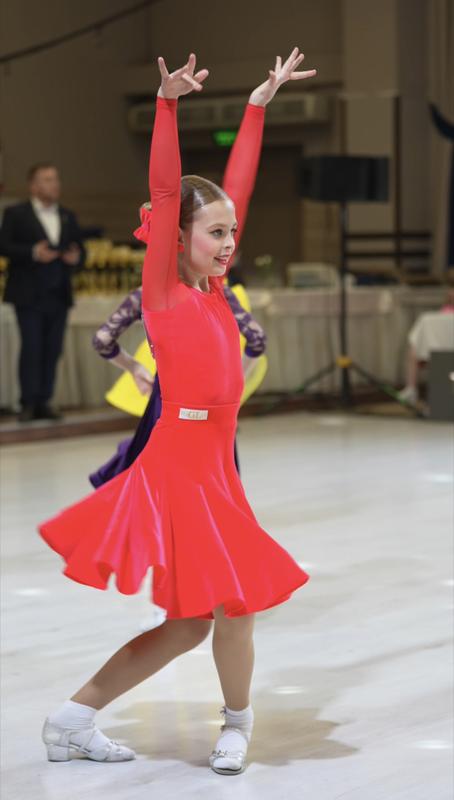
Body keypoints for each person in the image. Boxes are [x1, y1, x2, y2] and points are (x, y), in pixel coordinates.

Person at [38, 49, 316, 775]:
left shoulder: (215, 289)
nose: (229, 245)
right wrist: (166, 107)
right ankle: (237, 724)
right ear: (178, 237)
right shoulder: (164, 287)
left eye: (232, 233)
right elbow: (167, 190)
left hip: (215, 470)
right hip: (178, 470)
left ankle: (71, 719)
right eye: (215, 234)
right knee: (230, 607)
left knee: (193, 623)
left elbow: (237, 187)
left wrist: (256, 107)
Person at [90, 282, 266, 486]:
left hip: (167, 399)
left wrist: (135, 368)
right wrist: (235, 380)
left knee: (160, 480)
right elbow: (257, 340)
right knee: (212, 483)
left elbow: (102, 340)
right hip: (210, 400)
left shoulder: (150, 292)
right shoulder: (217, 292)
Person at [0, 164, 85, 421]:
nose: (54, 184)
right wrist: (33, 252)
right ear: (34, 186)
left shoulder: (67, 215)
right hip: (28, 293)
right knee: (32, 347)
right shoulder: (16, 213)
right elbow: (4, 246)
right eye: (47, 180)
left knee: (53, 349)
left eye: (56, 179)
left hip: (59, 292)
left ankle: (45, 400)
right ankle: (28, 402)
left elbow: (80, 250)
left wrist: (76, 258)